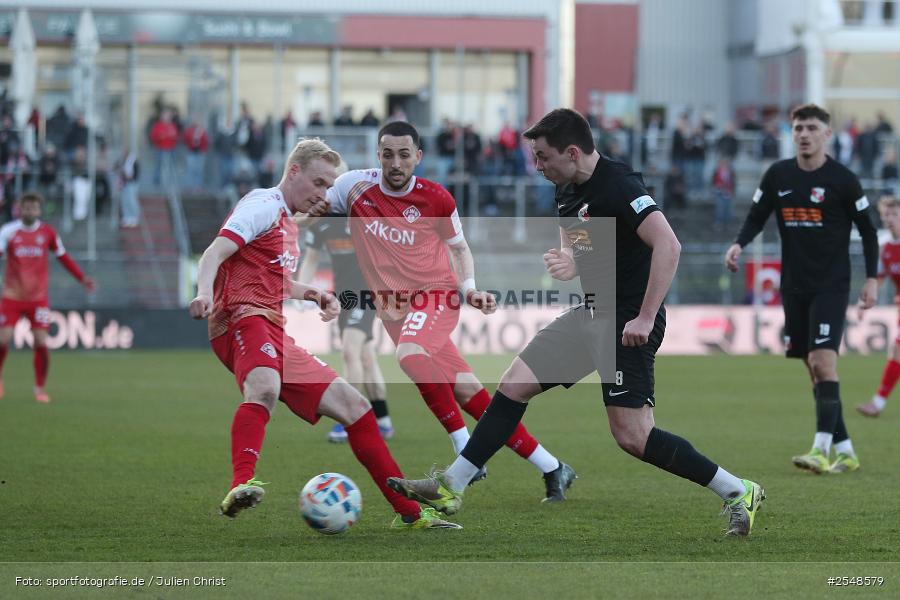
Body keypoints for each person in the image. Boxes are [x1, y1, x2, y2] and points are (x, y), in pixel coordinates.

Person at [388, 109, 765, 537]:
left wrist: (644, 316)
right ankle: (450, 487)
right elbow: (576, 234)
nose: (538, 166)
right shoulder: (566, 186)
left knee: (633, 436)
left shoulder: (619, 184)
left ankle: (737, 490)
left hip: (625, 322)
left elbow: (669, 245)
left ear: (572, 152)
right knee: (514, 383)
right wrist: (569, 258)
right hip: (590, 313)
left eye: (543, 157)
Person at [188, 138, 458, 529]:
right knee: (264, 388)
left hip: (272, 326)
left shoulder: (290, 224)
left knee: (356, 409)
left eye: (330, 186)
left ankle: (411, 514)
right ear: (293, 171)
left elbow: (274, 284)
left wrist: (313, 292)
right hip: (239, 318)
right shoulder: (262, 205)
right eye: (318, 183)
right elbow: (214, 252)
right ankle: (241, 483)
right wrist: (201, 293)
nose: (324, 194)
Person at [327, 121, 575, 502]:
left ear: (418, 157)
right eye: (388, 154)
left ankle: (464, 453)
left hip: (436, 295)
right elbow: (316, 211)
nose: (396, 162)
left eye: (404, 155)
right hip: (396, 310)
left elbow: (459, 249)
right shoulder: (353, 187)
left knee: (410, 356)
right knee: (470, 393)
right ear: (378, 156)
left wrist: (470, 290)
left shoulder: (437, 199)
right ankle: (553, 467)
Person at [725, 103, 879, 475]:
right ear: (791, 134)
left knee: (823, 362)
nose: (804, 134)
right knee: (814, 370)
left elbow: (869, 231)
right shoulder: (778, 176)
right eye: (798, 128)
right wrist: (739, 244)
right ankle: (847, 450)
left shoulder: (843, 180)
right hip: (794, 285)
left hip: (832, 285)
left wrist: (871, 279)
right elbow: (757, 216)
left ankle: (820, 450)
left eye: (811, 128)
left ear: (827, 134)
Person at [297, 207, 395, 443]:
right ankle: (383, 421)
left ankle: (347, 418)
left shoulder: (365, 218)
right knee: (366, 359)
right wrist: (302, 291)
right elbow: (310, 260)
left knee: (350, 352)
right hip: (343, 298)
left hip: (368, 295)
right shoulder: (321, 224)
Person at [0, 192, 96, 402]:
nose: (30, 211)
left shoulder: (48, 233)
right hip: (12, 297)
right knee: (3, 339)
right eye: (26, 207)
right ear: (19, 209)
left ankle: (39, 388)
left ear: (39, 210)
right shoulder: (8, 231)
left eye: (34, 208)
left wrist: (82, 278)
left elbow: (63, 257)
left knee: (41, 342)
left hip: (38, 298)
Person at [858, 195, 900, 417]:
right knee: (896, 352)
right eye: (886, 215)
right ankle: (877, 403)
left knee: (897, 351)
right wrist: (863, 301)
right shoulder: (884, 247)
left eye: (894, 214)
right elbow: (879, 279)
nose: (889, 219)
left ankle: (877, 403)